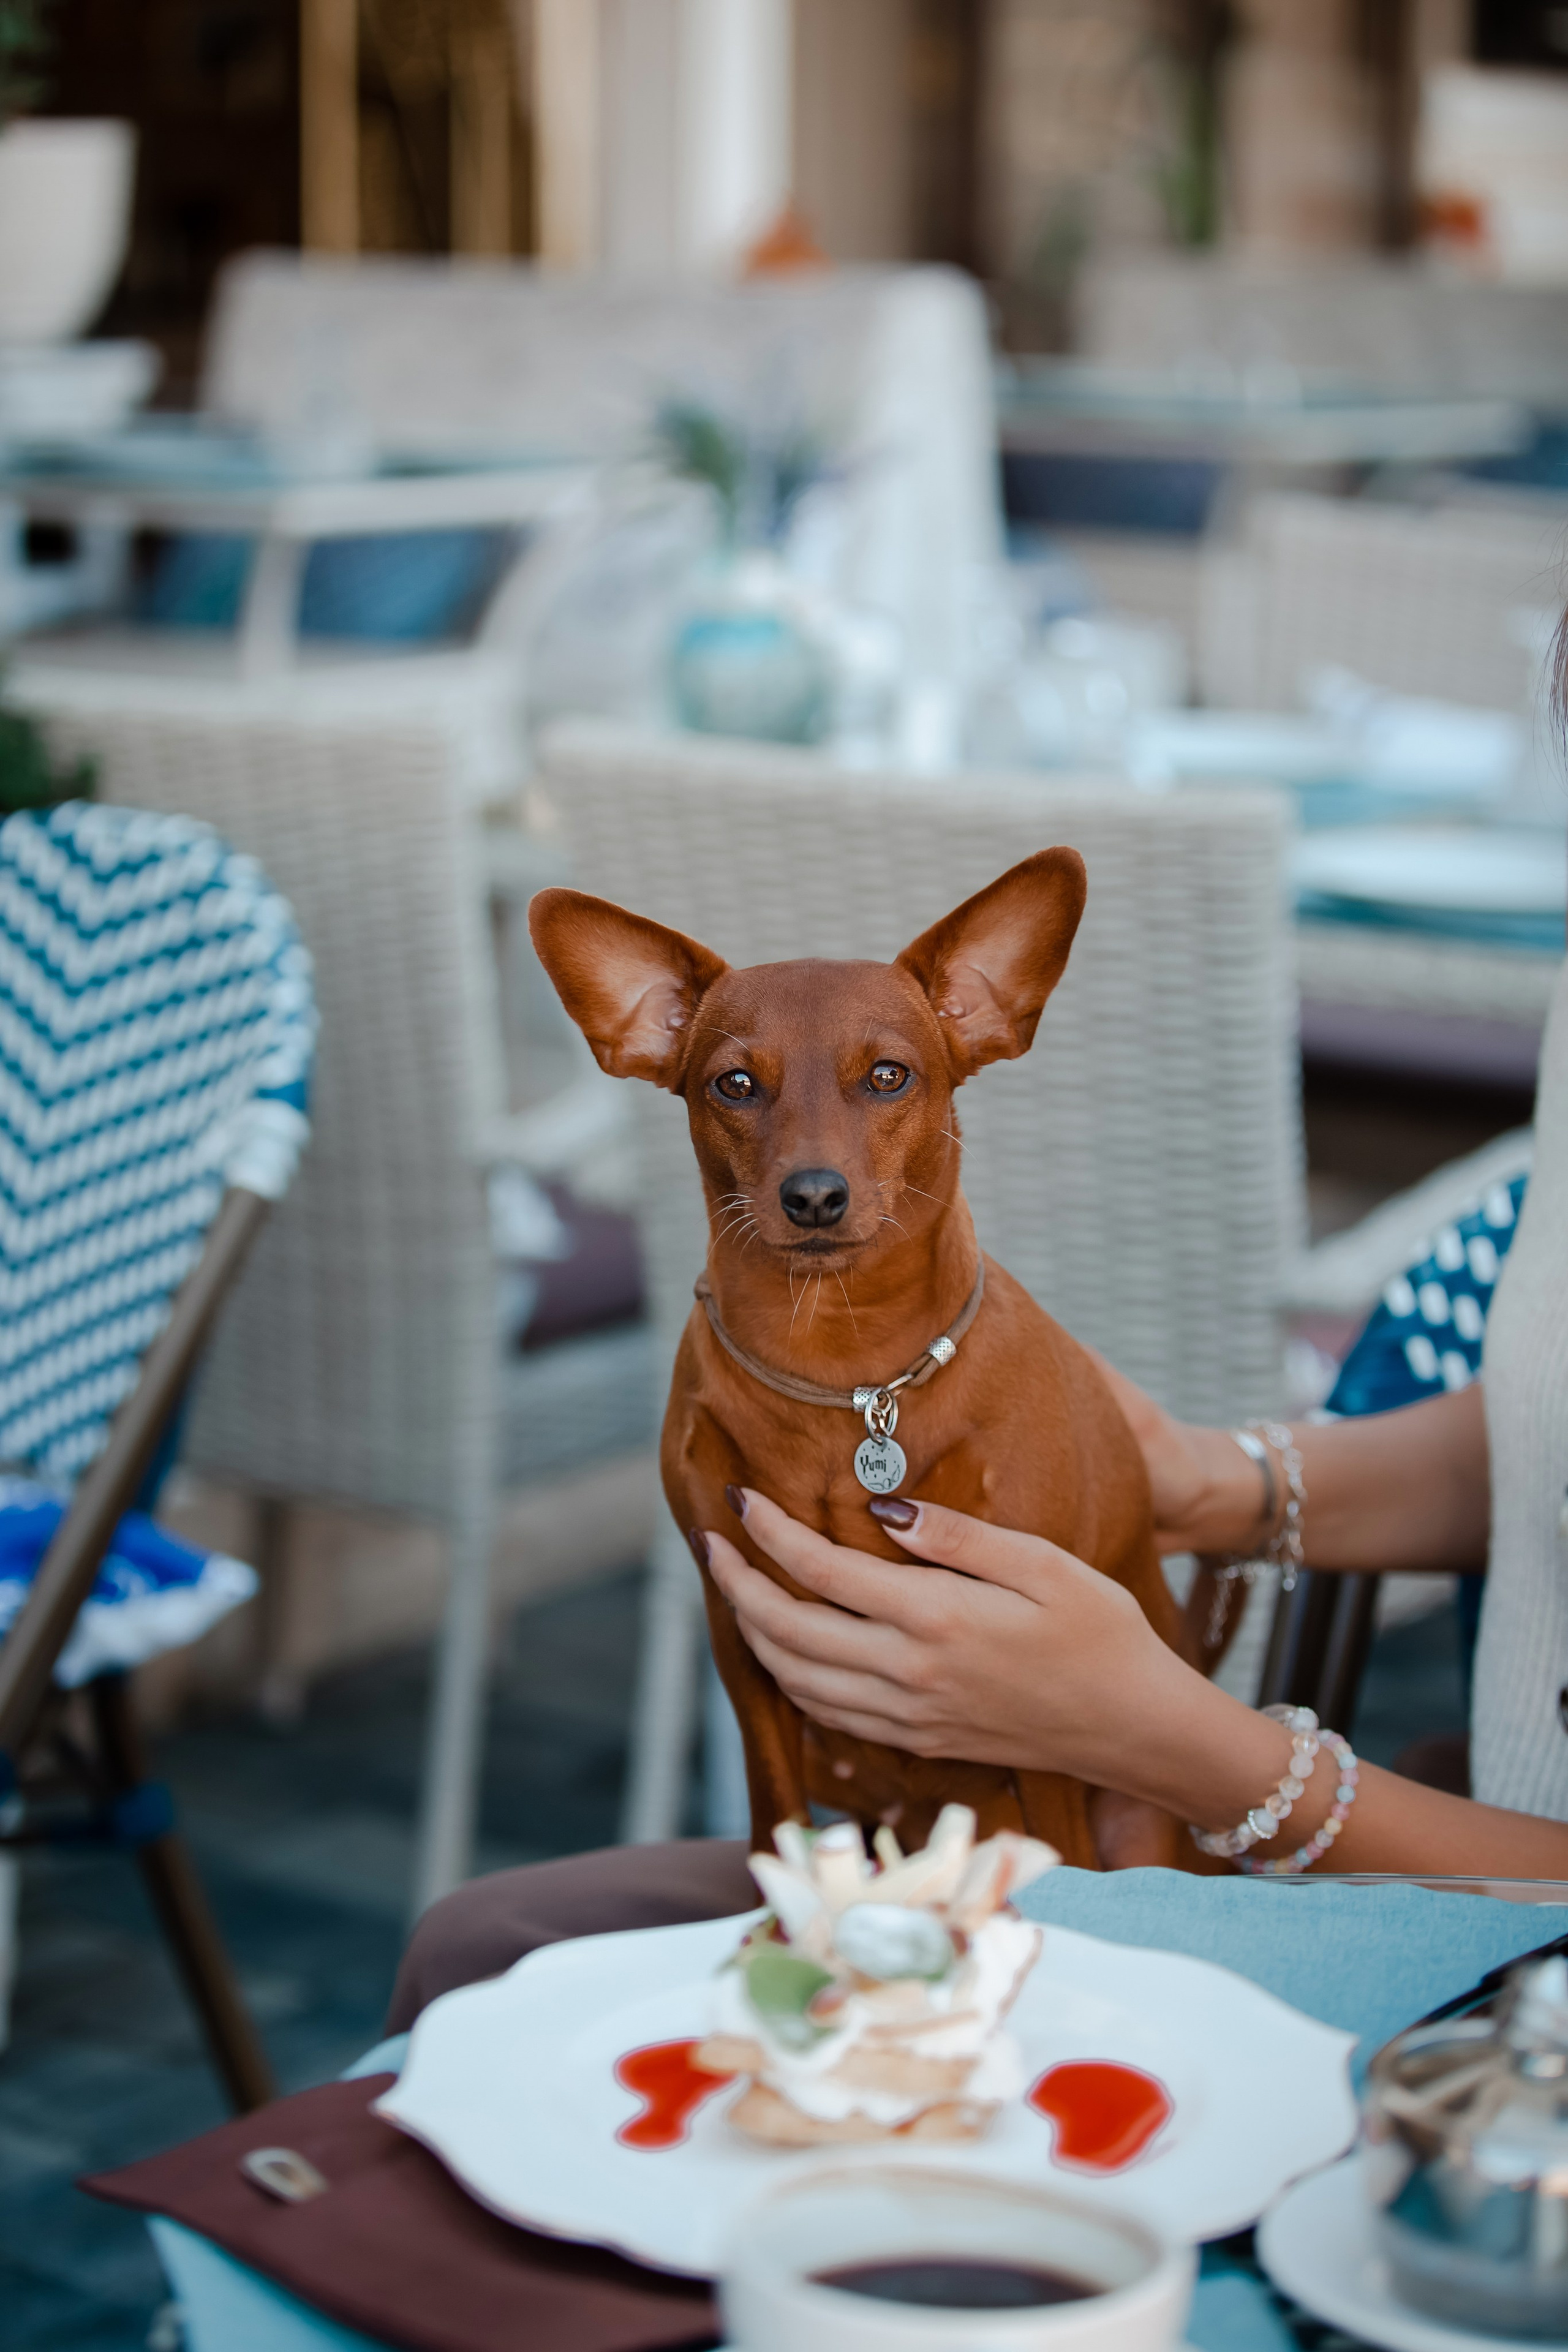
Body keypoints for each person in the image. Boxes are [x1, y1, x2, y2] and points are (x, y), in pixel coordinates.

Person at [390, 727, 1568, 2030]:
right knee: (471, 1940)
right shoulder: (708, 1396)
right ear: (648, 1037)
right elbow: (1537, 1439)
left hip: (1144, 1848)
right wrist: (1215, 1481)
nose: (812, 1164)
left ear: (980, 1018)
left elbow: (1113, 1761)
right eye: (740, 1090)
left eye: (883, 1083)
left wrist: (1197, 1757)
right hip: (883, 1844)